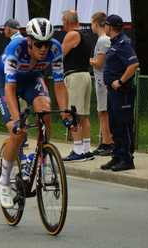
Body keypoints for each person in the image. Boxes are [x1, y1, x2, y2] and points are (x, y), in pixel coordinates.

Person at [0, 18, 72, 208]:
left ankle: (42, 159)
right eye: (39, 44)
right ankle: (4, 181)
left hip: (31, 80)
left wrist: (65, 113)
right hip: (7, 83)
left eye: (46, 43)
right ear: (29, 41)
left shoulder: (55, 49)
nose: (43, 48)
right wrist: (16, 119)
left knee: (46, 110)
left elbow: (59, 84)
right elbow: (10, 89)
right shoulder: (15, 49)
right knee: (18, 130)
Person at [101, 14, 139, 172]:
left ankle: (127, 159)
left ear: (110, 26)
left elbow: (134, 64)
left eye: (105, 25)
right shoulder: (115, 43)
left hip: (122, 92)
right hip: (113, 92)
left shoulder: (123, 43)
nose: (104, 28)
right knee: (114, 125)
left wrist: (121, 81)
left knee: (123, 124)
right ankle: (117, 156)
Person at [61, 10, 93, 162]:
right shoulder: (86, 35)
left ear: (67, 22)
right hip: (86, 76)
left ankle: (78, 150)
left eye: (63, 22)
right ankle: (86, 149)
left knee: (72, 114)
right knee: (84, 115)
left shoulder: (72, 35)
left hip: (75, 77)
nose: (62, 25)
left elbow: (60, 55)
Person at [90, 12, 114, 156]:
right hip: (102, 80)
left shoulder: (103, 40)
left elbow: (99, 63)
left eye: (92, 23)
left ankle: (107, 142)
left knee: (103, 112)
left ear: (97, 23)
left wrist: (89, 60)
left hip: (102, 80)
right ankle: (106, 141)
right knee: (103, 111)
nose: (91, 26)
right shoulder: (104, 39)